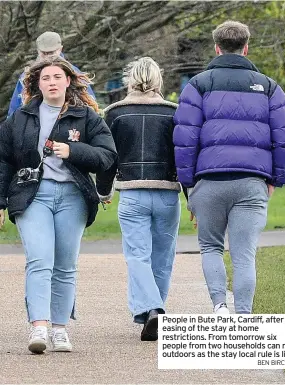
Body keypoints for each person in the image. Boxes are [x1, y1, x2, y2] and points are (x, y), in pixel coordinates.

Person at [0, 57, 116, 354]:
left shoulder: (87, 117)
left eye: (58, 77)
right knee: (39, 260)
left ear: (68, 81)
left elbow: (107, 156)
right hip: (33, 195)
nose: (52, 82)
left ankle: (60, 329)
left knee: (66, 265)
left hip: (73, 197)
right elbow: (1, 160)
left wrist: (73, 150)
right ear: (36, 84)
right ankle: (39, 328)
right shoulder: (20, 118)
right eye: (46, 78)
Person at [173, 21, 285, 314]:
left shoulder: (198, 85)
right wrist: (275, 179)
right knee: (244, 254)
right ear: (246, 47)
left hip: (209, 181)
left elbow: (184, 138)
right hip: (252, 181)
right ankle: (243, 315)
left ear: (216, 47)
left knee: (211, 247)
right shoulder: (268, 87)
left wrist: (188, 184)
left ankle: (219, 306)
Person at [96, 57, 181, 341]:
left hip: (132, 193)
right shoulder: (175, 113)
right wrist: (192, 197)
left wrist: (103, 190)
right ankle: (152, 310)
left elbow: (108, 158)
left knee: (137, 255)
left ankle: (150, 310)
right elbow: (185, 158)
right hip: (167, 190)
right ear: (158, 80)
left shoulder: (114, 113)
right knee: (163, 257)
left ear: (129, 79)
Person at [0, 31, 97, 150]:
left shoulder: (75, 74)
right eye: (44, 53)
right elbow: (15, 112)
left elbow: (91, 108)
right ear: (38, 51)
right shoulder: (26, 78)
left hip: (70, 138)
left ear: (60, 49)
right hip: (34, 138)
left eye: (52, 53)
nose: (48, 57)